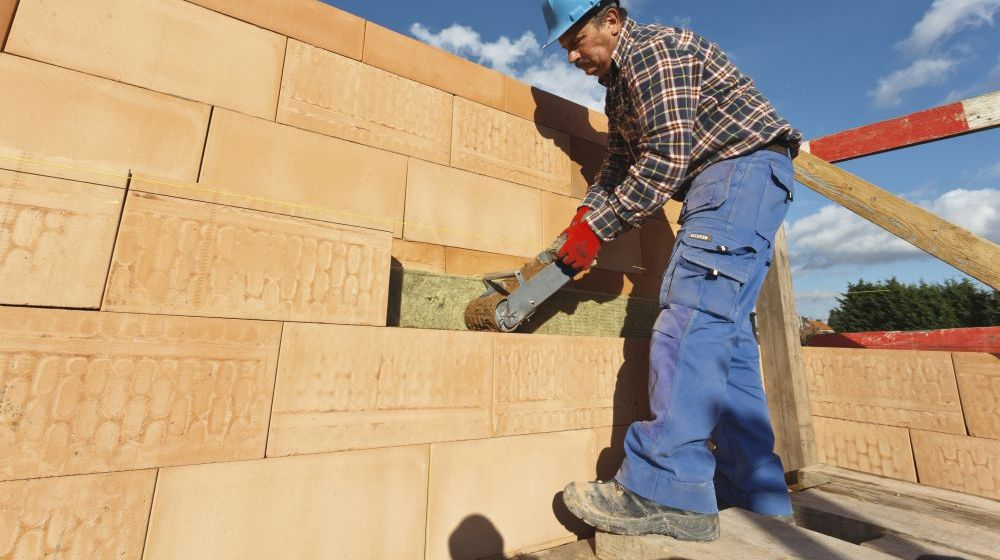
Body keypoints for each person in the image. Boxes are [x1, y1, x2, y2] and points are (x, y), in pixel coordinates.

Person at [542, 0, 800, 542]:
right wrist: (588, 213)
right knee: (724, 341)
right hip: (741, 182)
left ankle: (662, 487)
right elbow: (620, 162)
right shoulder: (620, 89)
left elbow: (663, 160)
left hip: (736, 174)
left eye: (575, 38)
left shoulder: (654, 53)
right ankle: (756, 494)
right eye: (562, 45)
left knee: (690, 319)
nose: (570, 54)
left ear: (611, 19)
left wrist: (601, 229)